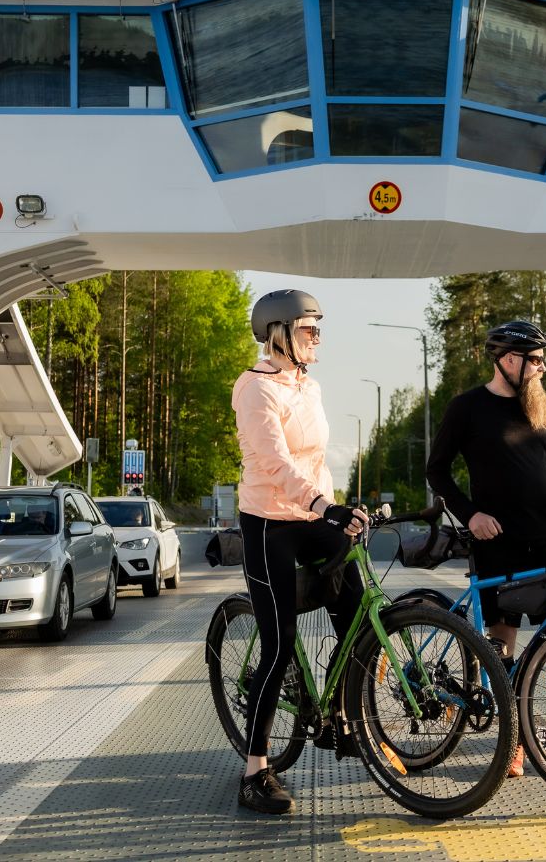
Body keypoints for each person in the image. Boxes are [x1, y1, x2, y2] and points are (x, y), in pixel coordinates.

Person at [425, 319, 546, 779]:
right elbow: (438, 472)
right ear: (508, 360)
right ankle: (513, 743)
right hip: (497, 540)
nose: (542, 368)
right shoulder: (466, 408)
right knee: (502, 641)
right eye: (536, 360)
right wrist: (471, 515)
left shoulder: (544, 408)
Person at [230, 288, 368, 816]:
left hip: (313, 513)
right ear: (279, 333)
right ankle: (255, 771)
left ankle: (341, 714)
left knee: (357, 618)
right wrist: (319, 504)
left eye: (319, 329)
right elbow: (274, 463)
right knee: (280, 645)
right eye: (309, 328)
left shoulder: (308, 387)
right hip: (270, 522)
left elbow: (315, 462)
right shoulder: (254, 388)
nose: (317, 338)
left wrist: (338, 509)